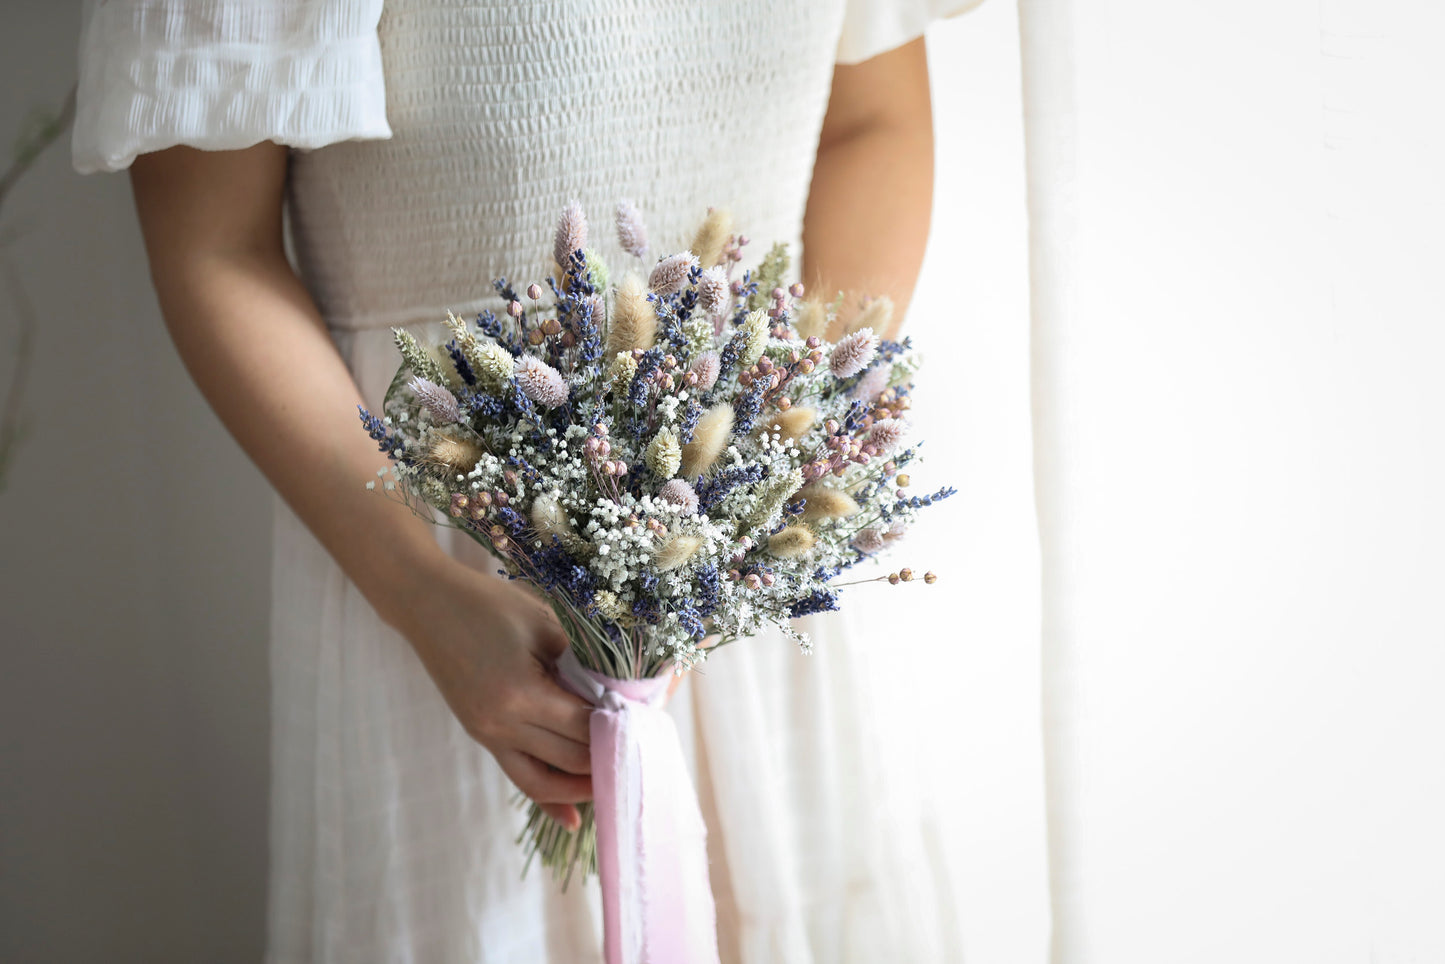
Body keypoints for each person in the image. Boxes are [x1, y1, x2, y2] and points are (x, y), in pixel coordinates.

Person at [73, 1, 982, 960]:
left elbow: (871, 123)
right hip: (444, 569)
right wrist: (423, 597)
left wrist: (771, 455)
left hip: (761, 563)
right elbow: (215, 243)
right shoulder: (432, 596)